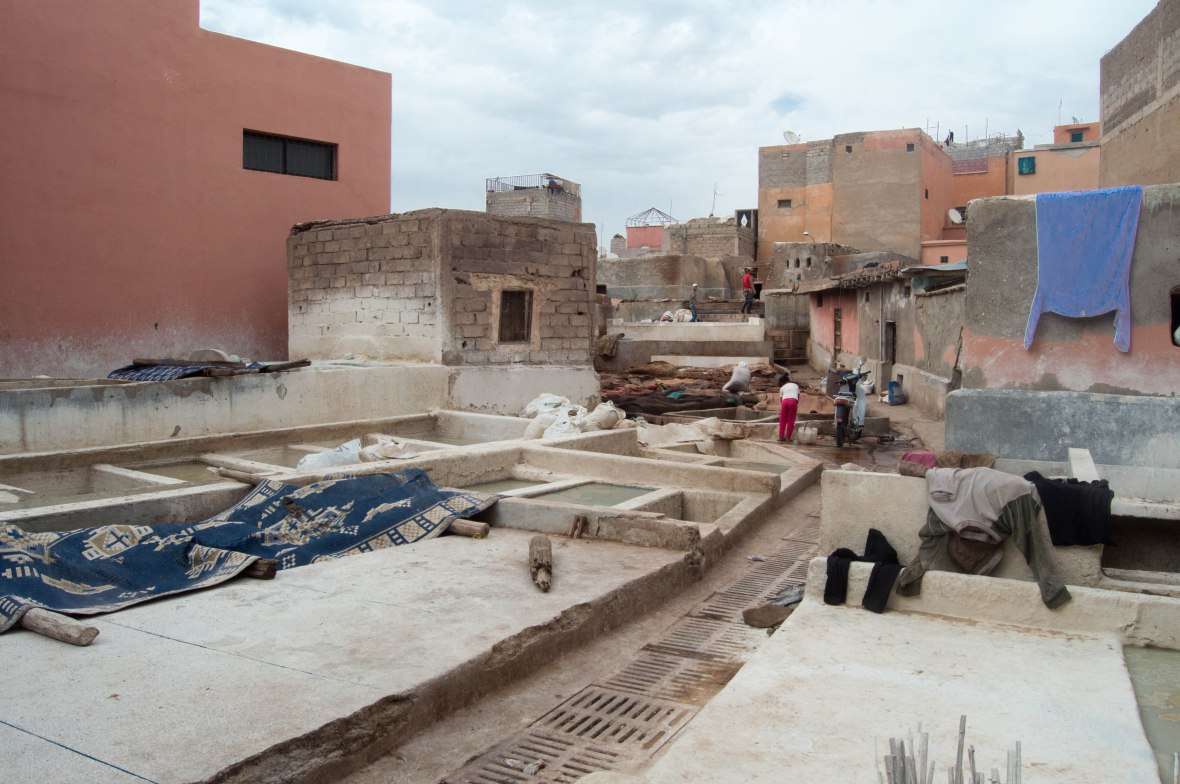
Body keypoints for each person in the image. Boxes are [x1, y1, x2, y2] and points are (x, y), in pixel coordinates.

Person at [778, 372, 801, 442]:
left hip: (785, 402)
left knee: (783, 419)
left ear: (782, 383)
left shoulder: (782, 388)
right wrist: (795, 404)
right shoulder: (796, 385)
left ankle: (781, 437)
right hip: (793, 401)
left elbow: (781, 400)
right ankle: (788, 438)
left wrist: (782, 408)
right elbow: (798, 396)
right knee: (791, 420)